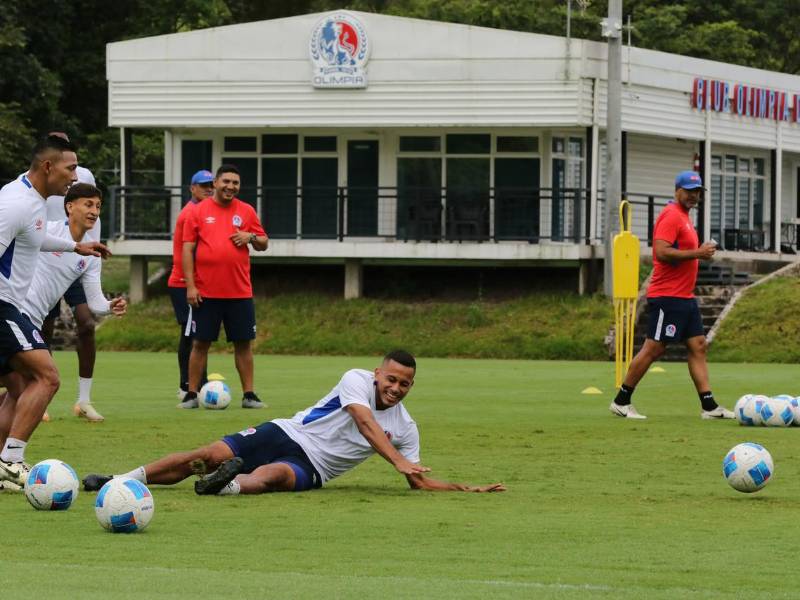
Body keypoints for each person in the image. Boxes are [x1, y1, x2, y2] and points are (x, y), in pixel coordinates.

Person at [83, 350, 506, 495]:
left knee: (270, 477)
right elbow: (364, 423)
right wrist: (396, 460)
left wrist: (463, 488)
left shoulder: (407, 427)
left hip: (313, 467)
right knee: (207, 453)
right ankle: (119, 481)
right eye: (392, 379)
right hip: (287, 431)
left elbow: (418, 481)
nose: (396, 388)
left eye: (405, 384)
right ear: (378, 373)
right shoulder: (356, 379)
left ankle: (222, 486)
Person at [0, 135, 109, 487]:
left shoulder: (32, 200)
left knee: (19, 388)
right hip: (3, 306)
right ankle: (11, 461)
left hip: (9, 307)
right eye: (71, 168)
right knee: (47, 377)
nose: (75, 177)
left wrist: (76, 247)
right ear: (48, 167)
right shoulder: (16, 203)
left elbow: (35, 237)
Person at [609, 170, 735, 420]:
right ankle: (621, 401)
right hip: (667, 296)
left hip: (684, 297)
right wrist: (698, 253)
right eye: (688, 191)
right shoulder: (671, 215)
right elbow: (661, 252)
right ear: (677, 191)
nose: (693, 196)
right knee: (654, 348)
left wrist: (700, 253)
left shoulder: (685, 217)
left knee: (698, 346)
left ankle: (709, 407)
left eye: (697, 191)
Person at [19, 182, 128, 423]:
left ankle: (13, 446)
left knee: (24, 385)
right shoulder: (48, 231)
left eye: (98, 206)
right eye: (88, 205)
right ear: (70, 207)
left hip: (33, 319)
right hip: (17, 313)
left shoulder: (92, 254)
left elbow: (96, 302)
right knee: (45, 379)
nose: (94, 211)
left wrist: (110, 307)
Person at [177, 164, 268, 409]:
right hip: (206, 292)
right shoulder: (198, 211)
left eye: (235, 183)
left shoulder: (246, 210)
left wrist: (250, 236)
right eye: (226, 181)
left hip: (240, 292)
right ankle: (191, 394)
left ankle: (249, 395)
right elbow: (187, 249)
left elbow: (263, 242)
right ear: (216, 183)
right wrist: (190, 286)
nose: (230, 186)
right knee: (200, 343)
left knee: (243, 344)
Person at [38, 132, 102, 421]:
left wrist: (93, 250)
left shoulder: (83, 175)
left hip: (80, 256)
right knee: (44, 328)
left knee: (87, 323)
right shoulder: (38, 177)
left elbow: (92, 212)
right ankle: (39, 396)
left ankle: (84, 400)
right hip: (48, 258)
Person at [168, 169, 213, 401]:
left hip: (196, 283)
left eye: (211, 185)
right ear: (192, 188)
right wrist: (190, 284)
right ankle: (187, 385)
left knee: (199, 334)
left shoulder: (205, 212)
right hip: (183, 283)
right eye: (204, 185)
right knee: (191, 334)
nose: (209, 189)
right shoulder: (190, 213)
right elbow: (187, 253)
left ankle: (199, 383)